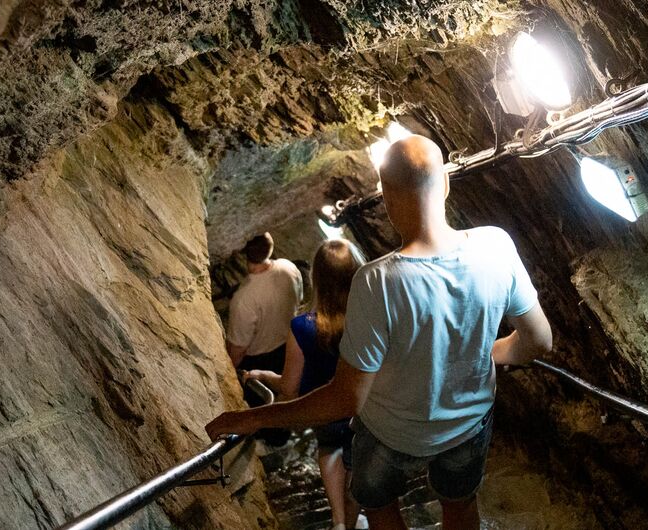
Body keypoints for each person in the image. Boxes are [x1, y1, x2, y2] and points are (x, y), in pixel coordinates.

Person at [206, 135, 553, 530]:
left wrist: (257, 419)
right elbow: (539, 341)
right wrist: (490, 352)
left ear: (386, 198)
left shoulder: (378, 282)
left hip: (391, 433)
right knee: (459, 504)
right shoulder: (497, 246)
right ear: (446, 184)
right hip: (467, 426)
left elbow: (346, 399)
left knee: (378, 502)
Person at [243, 239, 366, 530]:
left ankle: (338, 520)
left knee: (330, 447)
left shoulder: (303, 326)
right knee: (358, 456)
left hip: (327, 408)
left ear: (317, 279)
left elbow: (289, 388)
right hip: (366, 406)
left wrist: (262, 375)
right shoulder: (372, 315)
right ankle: (352, 517)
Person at [226, 232, 302, 445]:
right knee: (284, 396)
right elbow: (299, 300)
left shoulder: (244, 299)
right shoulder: (289, 267)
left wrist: (229, 371)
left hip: (260, 357)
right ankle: (280, 438)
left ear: (244, 253)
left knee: (261, 403)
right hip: (288, 346)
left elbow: (238, 347)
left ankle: (260, 441)